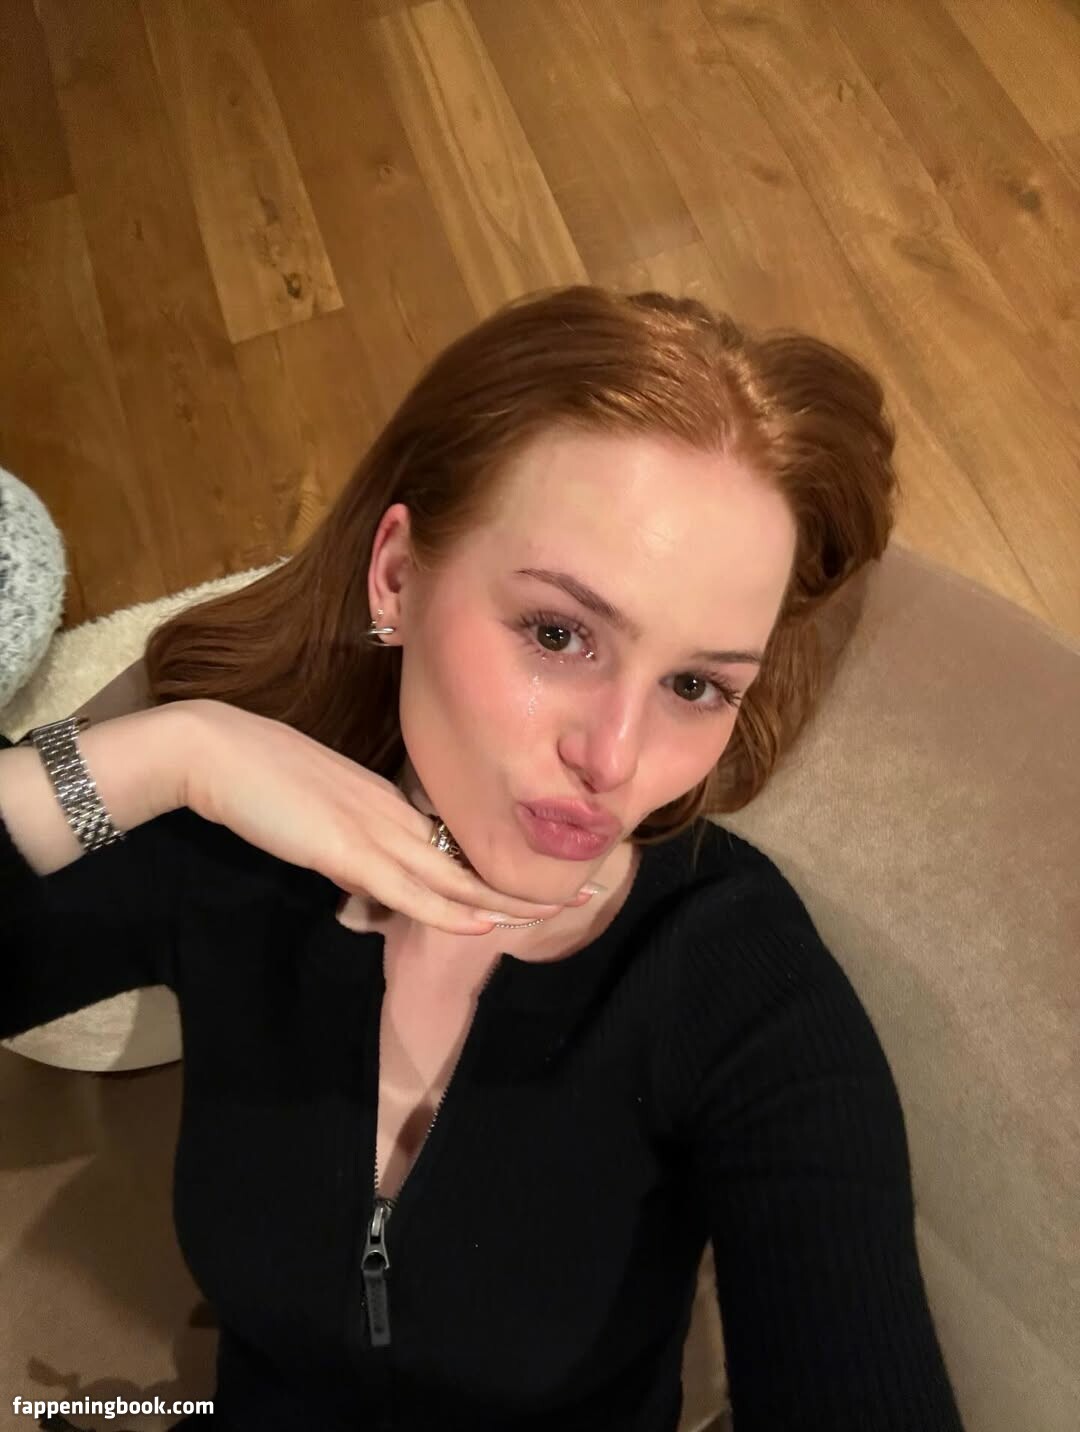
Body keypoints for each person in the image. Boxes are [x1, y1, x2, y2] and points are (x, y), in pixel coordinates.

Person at [0, 285, 967, 1431]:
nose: (615, 759)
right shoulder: (237, 848)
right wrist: (174, 752)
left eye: (696, 684)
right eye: (559, 633)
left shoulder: (737, 988)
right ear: (397, 576)